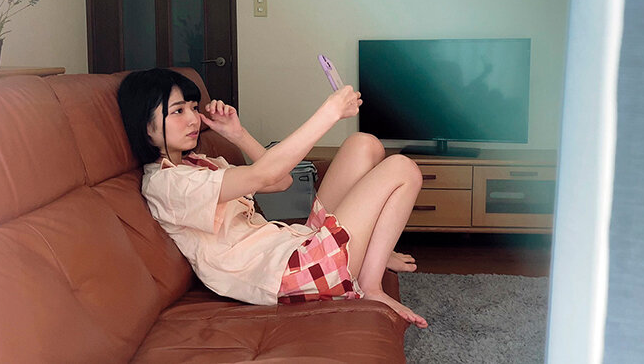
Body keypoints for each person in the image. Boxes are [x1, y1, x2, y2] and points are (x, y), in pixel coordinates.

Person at [117, 68, 427, 328]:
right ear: (145, 125)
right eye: (178, 111)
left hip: (296, 247)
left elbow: (280, 181)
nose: (193, 119)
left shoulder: (199, 165)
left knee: (364, 144)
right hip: (292, 274)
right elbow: (263, 175)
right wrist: (329, 112)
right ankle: (370, 285)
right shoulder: (169, 185)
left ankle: (373, 251)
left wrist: (237, 134)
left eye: (193, 108)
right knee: (403, 168)